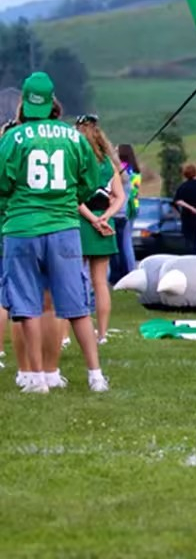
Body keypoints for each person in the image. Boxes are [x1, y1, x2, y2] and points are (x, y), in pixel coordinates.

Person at [0, 72, 108, 393]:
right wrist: (69, 198)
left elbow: (2, 182)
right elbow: (89, 182)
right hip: (64, 227)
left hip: (22, 226)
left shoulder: (13, 137)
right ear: (52, 102)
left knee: (26, 306)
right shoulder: (73, 136)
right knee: (75, 307)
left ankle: (35, 378)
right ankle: (95, 375)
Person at [75, 114, 124, 346]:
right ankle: (102, 334)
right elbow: (120, 197)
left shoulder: (77, 162)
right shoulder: (108, 164)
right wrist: (105, 216)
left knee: (73, 280)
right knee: (100, 282)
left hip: (81, 224)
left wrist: (92, 220)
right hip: (105, 224)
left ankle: (65, 335)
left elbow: (75, 198)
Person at [109, 144, 140, 284]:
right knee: (127, 241)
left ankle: (123, 272)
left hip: (120, 208)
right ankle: (132, 269)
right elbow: (134, 191)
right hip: (132, 206)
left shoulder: (119, 170)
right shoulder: (135, 171)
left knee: (121, 243)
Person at [173, 164, 196, 253]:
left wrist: (190, 208)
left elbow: (178, 201)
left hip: (188, 217)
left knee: (189, 241)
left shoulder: (182, 187)